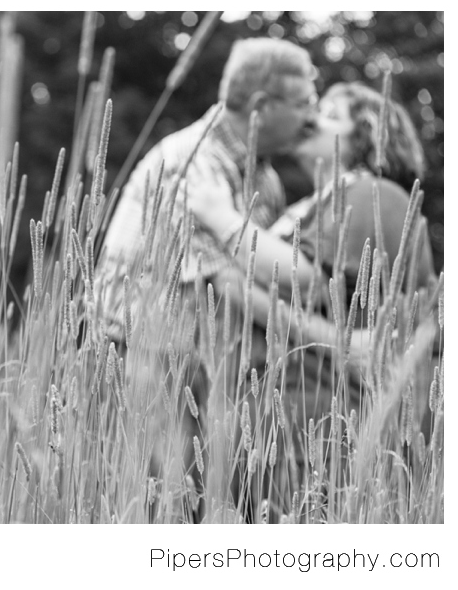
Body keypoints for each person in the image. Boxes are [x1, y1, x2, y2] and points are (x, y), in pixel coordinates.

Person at [186, 82, 438, 515]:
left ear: (364, 137)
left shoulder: (371, 194)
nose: (310, 118)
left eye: (329, 112)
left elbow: (307, 282)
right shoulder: (313, 202)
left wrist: (222, 221)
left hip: (321, 419)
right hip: (281, 413)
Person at [95, 38, 319, 522]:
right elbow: (225, 284)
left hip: (214, 371)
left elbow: (263, 281)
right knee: (167, 511)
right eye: (304, 103)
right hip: (149, 363)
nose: (312, 119)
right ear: (262, 105)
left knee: (227, 511)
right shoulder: (190, 163)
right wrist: (333, 341)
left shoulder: (265, 176)